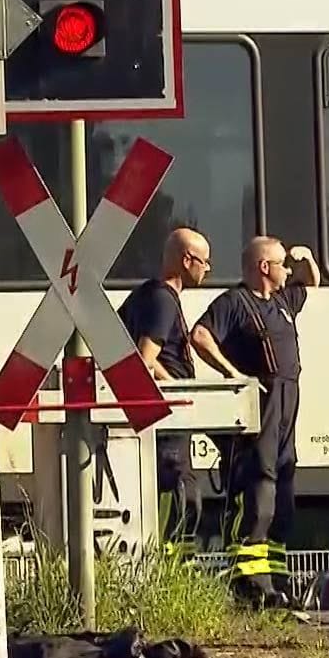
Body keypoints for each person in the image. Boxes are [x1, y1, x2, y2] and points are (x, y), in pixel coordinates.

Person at [192, 236, 320, 609]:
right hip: (261, 407)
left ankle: (276, 585)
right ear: (264, 267)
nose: (288, 270)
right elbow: (200, 336)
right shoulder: (235, 302)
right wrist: (235, 375)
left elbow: (311, 281)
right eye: (282, 264)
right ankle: (251, 587)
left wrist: (306, 256)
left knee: (283, 496)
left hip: (287, 402)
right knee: (259, 495)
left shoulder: (282, 301)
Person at [118, 227, 214, 557]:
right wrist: (174, 385)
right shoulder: (163, 299)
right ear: (187, 260)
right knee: (182, 495)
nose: (207, 269)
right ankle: (172, 569)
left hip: (157, 423)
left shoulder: (143, 295)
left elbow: (125, 350)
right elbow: (144, 359)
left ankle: (165, 564)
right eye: (204, 262)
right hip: (168, 424)